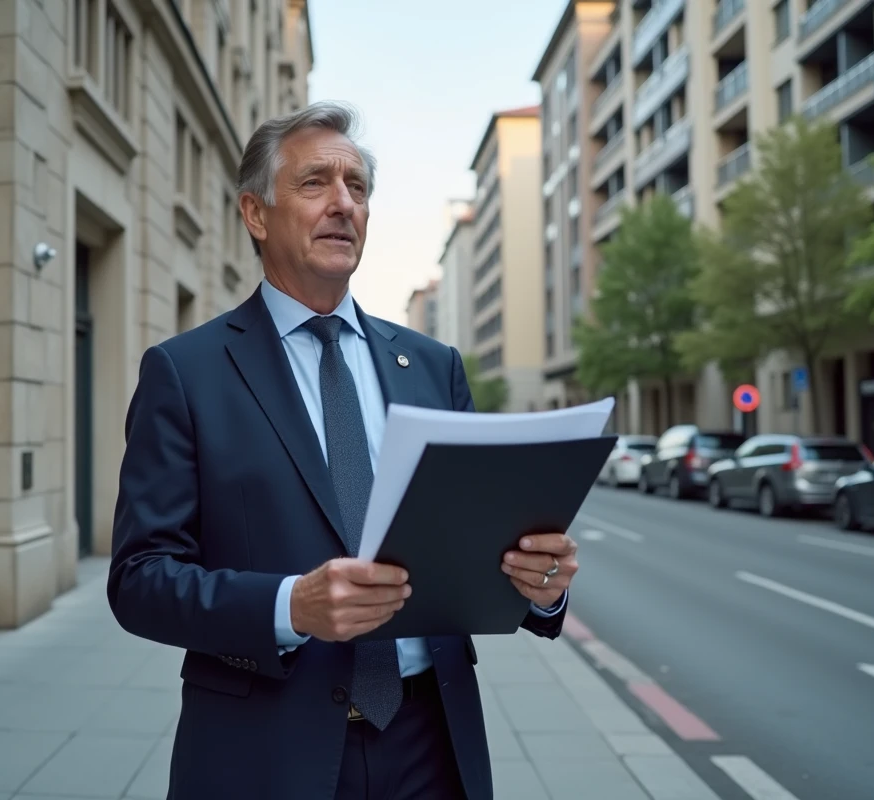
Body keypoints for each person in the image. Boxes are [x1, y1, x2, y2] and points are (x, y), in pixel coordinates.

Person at [107, 101, 580, 800]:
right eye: (314, 183)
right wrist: (289, 606)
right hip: (265, 751)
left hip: (431, 745)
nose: (343, 204)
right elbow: (139, 580)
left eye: (357, 187)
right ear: (255, 213)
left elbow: (479, 548)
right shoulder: (186, 372)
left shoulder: (433, 367)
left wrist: (541, 587)